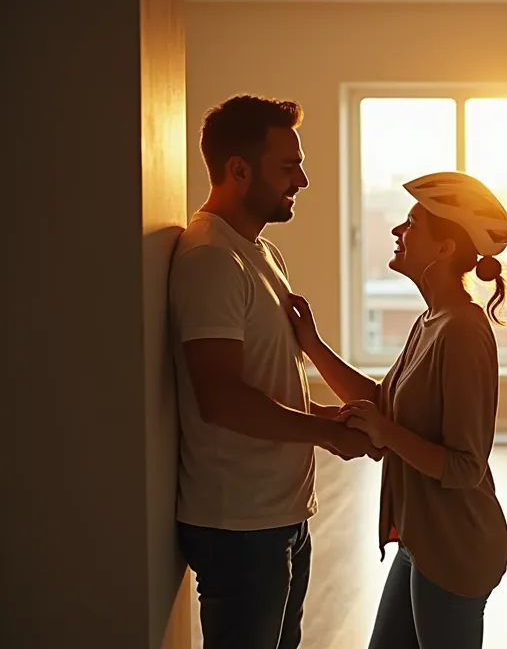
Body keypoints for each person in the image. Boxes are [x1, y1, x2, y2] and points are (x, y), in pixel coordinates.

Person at [170, 94, 382, 649]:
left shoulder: (261, 253)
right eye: (288, 166)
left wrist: (323, 415)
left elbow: (264, 387)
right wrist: (325, 434)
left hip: (280, 513)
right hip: (239, 525)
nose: (304, 180)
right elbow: (222, 399)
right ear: (238, 170)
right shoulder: (211, 259)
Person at [284, 171, 507, 648]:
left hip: (455, 547)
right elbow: (381, 403)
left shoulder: (463, 333)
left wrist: (386, 433)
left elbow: (465, 466)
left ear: (445, 248)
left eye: (411, 224)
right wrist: (313, 347)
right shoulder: (432, 320)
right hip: (420, 541)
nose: (397, 232)